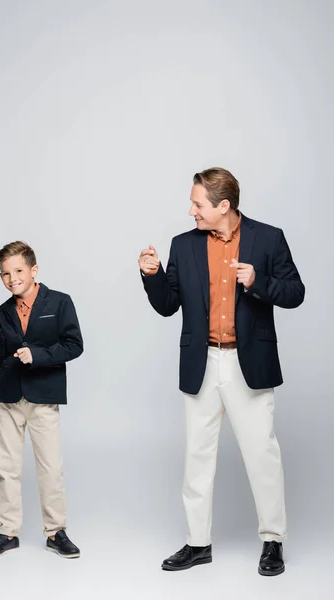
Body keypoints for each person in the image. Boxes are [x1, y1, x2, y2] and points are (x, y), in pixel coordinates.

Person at [138, 167, 304, 576]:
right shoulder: (184, 245)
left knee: (262, 455)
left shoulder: (269, 238)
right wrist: (153, 276)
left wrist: (259, 281)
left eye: (198, 204)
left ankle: (273, 541)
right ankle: (198, 544)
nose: (191, 210)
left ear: (223, 206)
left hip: (249, 363)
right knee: (197, 455)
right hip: (202, 362)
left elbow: (296, 292)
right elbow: (167, 305)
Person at [0, 241, 83, 559]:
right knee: (6, 468)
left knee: (50, 467)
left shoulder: (60, 302)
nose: (12, 279)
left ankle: (56, 532)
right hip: (8, 396)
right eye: (5, 274)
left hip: (43, 396)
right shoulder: (3, 310)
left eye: (19, 271)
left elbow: (74, 345)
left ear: (34, 270)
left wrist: (37, 355)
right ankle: (7, 532)